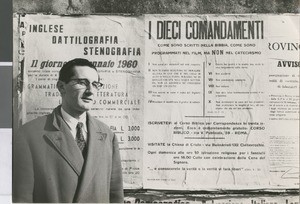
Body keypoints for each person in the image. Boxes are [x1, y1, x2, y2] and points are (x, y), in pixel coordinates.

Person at [13, 58, 124, 203]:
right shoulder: (29, 135)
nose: (90, 91)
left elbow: (115, 196)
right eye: (82, 83)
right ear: (61, 87)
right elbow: (21, 199)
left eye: (95, 84)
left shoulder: (107, 136)